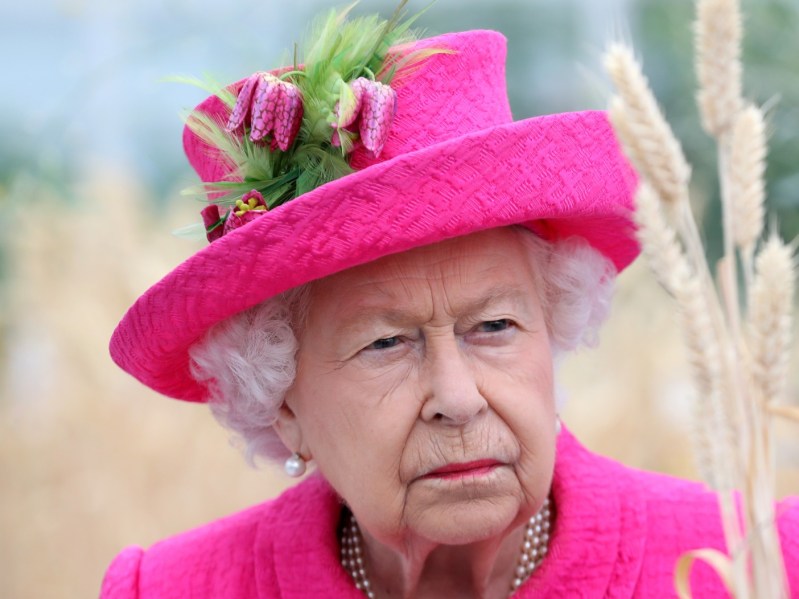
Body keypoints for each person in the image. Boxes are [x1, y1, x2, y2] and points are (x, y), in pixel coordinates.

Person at [100, 5, 799, 598]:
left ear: (551, 328)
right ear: (281, 404)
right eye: (385, 342)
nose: (456, 398)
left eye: (494, 325)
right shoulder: (168, 586)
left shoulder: (757, 564)